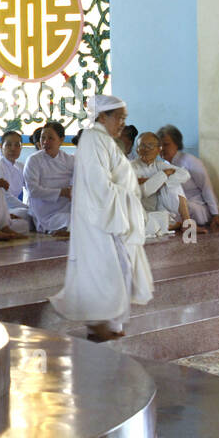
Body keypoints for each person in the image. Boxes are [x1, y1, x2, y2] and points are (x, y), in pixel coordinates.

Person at [51, 95, 153, 342]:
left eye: (125, 118)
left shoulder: (103, 140)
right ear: (102, 116)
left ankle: (112, 327)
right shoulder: (93, 139)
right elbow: (99, 186)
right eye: (119, 118)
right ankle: (102, 330)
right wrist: (127, 195)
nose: (122, 123)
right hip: (101, 221)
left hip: (112, 218)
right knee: (107, 273)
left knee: (118, 272)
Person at [157, 124, 219, 230]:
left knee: (183, 207)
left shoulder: (190, 161)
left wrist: (215, 214)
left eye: (166, 144)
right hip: (176, 209)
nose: (162, 149)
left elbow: (206, 188)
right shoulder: (161, 166)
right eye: (159, 146)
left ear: (177, 144)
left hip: (195, 207)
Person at [132, 130, 198, 235]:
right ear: (137, 150)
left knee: (174, 184)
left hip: (160, 207)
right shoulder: (131, 167)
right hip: (142, 210)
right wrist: (163, 175)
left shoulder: (160, 165)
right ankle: (175, 224)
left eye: (150, 146)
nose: (146, 150)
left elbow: (185, 174)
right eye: (142, 146)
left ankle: (187, 223)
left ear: (159, 149)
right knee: (151, 225)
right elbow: (145, 192)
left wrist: (156, 180)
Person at [24, 121, 73, 236]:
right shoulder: (33, 160)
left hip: (66, 206)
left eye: (51, 138)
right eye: (43, 138)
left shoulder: (70, 160)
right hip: (44, 210)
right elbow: (33, 190)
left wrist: (72, 189)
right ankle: (56, 229)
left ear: (61, 140)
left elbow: (79, 178)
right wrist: (62, 192)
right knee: (70, 221)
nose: (45, 142)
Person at [0, 129, 31, 233]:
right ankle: (0, 225)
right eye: (8, 145)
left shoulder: (21, 167)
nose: (13, 148)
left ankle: (6, 224)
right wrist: (28, 208)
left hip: (13, 210)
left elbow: (30, 189)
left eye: (17, 145)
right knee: (29, 214)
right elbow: (4, 195)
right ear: (1, 147)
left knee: (29, 218)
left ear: (21, 148)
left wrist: (34, 207)